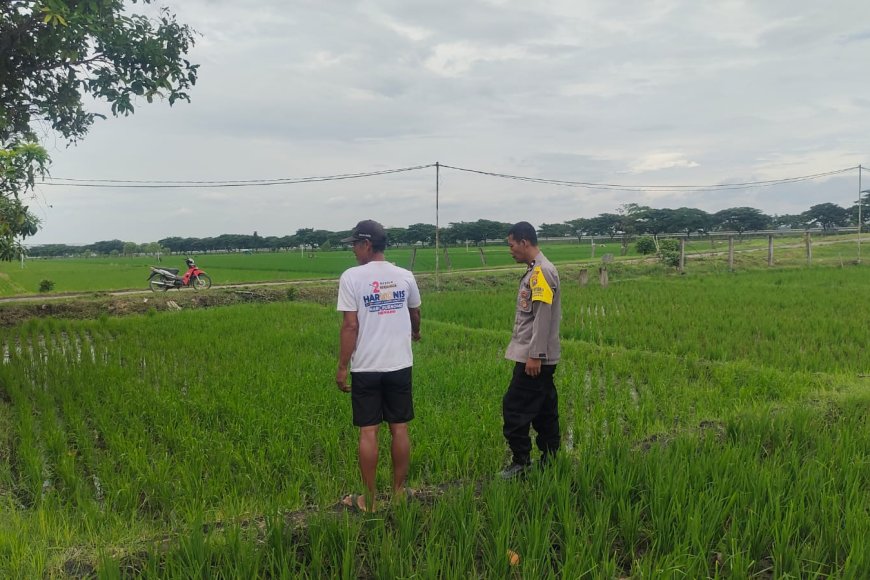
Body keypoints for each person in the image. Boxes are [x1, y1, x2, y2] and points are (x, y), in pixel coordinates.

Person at [336, 219, 422, 512]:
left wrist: (341, 366)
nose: (353, 251)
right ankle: (399, 493)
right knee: (399, 428)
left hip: (367, 368)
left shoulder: (351, 277)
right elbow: (415, 312)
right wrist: (416, 332)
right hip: (399, 365)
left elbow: (350, 326)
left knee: (368, 432)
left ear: (367, 245)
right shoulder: (405, 275)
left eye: (355, 245)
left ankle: (369, 500)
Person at [499, 221, 562, 479]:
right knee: (545, 409)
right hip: (538, 356)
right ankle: (551, 459)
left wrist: (534, 355)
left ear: (524, 242)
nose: (510, 250)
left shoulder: (541, 272)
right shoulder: (534, 270)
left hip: (535, 357)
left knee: (513, 407)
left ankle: (521, 463)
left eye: (511, 245)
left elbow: (542, 316)